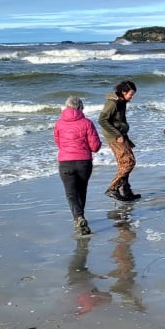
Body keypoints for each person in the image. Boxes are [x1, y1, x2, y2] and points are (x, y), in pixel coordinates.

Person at [53, 96, 102, 235]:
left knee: (70, 193)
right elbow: (95, 146)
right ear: (80, 107)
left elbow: (58, 143)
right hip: (83, 162)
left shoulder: (58, 123)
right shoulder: (87, 123)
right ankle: (80, 217)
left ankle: (78, 218)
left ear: (67, 107)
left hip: (65, 162)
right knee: (81, 190)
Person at [99, 80, 140, 202]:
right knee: (129, 163)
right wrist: (117, 135)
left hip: (122, 135)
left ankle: (126, 191)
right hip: (115, 137)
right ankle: (113, 188)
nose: (132, 97)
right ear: (123, 92)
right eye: (130, 94)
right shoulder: (113, 103)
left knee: (125, 163)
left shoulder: (122, 101)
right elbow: (102, 120)